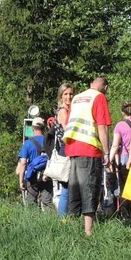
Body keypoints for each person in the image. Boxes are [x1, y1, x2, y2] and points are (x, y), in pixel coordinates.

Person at [63, 76, 112, 236]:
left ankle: (70, 229)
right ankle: (88, 232)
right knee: (90, 187)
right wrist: (107, 152)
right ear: (104, 87)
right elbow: (102, 127)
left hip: (72, 148)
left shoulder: (77, 98)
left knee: (74, 189)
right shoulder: (99, 97)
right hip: (89, 148)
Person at [17, 117, 54, 210]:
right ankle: (49, 223)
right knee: (47, 202)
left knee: (31, 203)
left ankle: (32, 223)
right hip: (47, 175)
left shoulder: (28, 143)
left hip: (32, 177)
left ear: (32, 128)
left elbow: (23, 163)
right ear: (43, 128)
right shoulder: (49, 141)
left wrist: (21, 181)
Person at [52, 83, 73, 217]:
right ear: (61, 96)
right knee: (66, 187)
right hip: (66, 149)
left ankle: (66, 217)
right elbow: (67, 129)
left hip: (68, 147)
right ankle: (62, 219)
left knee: (69, 187)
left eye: (70, 94)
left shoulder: (69, 109)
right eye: (65, 94)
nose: (68, 96)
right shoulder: (63, 111)